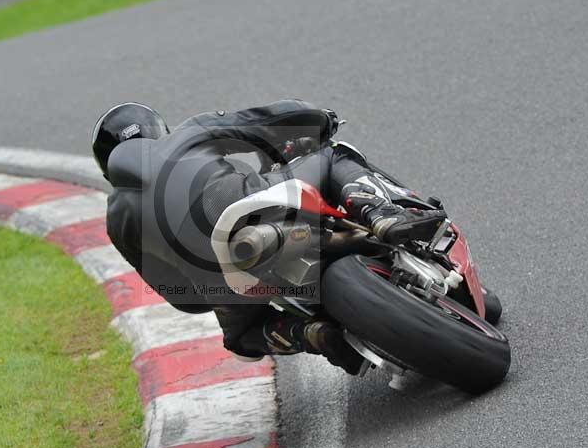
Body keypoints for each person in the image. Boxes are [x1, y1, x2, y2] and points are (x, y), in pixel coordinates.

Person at [92, 100, 447, 374]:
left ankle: (309, 334)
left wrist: (208, 287)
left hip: (217, 273)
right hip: (245, 204)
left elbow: (181, 298)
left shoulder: (116, 217)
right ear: (157, 129)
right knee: (331, 155)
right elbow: (268, 119)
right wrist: (318, 119)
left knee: (242, 337)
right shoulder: (189, 131)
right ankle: (381, 215)